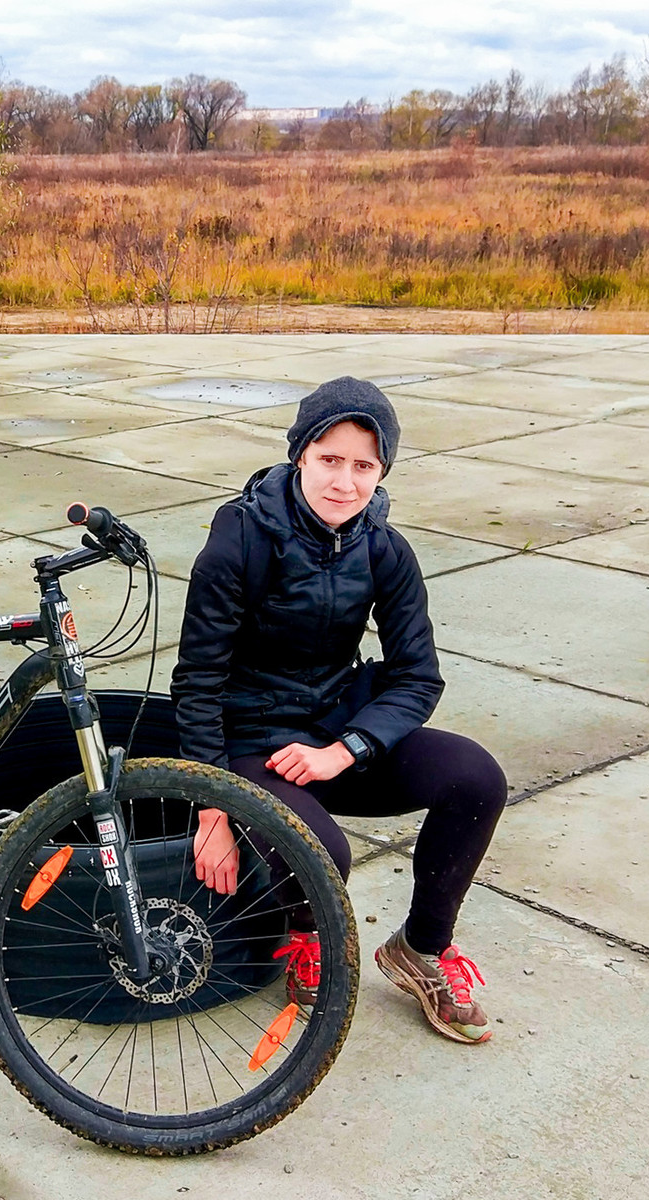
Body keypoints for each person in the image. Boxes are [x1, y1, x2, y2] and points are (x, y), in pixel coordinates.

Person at [170, 376, 507, 1045]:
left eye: (364, 466)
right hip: (252, 743)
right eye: (330, 459)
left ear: (381, 472)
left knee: (477, 778)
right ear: (300, 454)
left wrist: (348, 748)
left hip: (332, 733)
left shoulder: (383, 548)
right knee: (325, 852)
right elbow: (197, 681)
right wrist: (211, 806)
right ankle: (306, 938)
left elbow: (418, 677)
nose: (344, 483)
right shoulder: (239, 539)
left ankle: (421, 949)